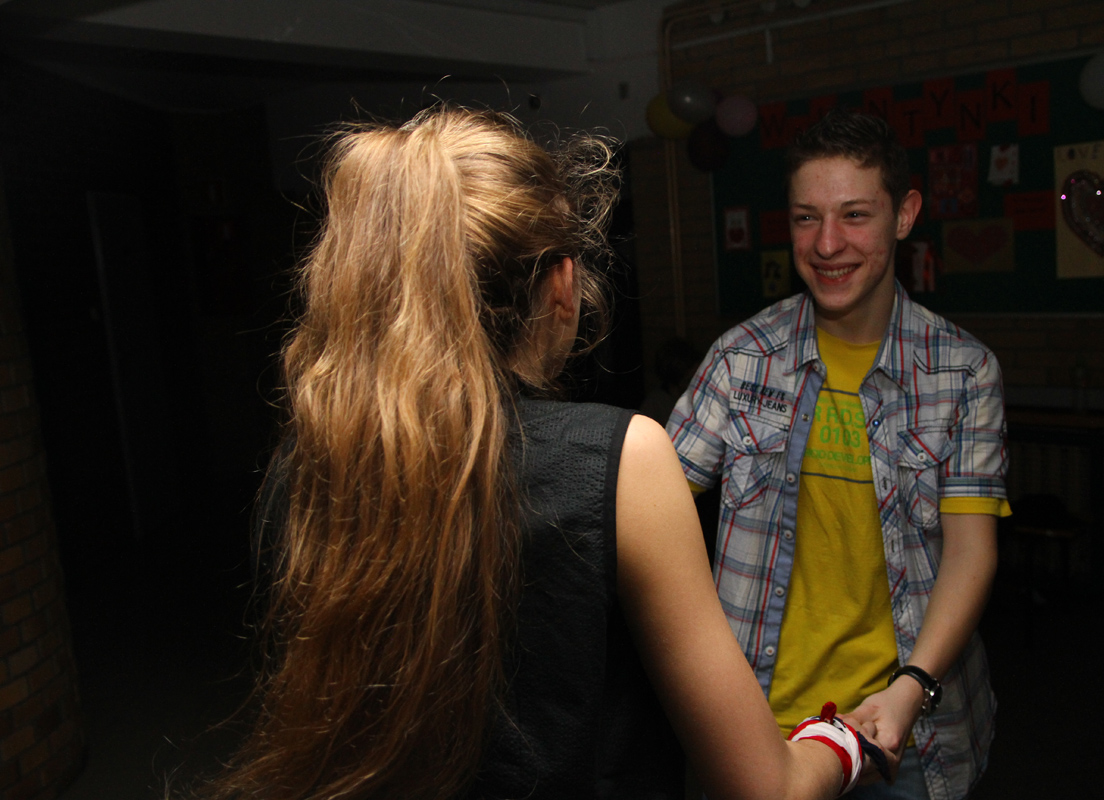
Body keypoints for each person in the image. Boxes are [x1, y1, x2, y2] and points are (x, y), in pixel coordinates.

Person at [200, 107, 891, 800]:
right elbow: (766, 787)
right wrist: (842, 739)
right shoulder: (622, 460)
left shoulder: (305, 466)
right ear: (561, 284)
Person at [667, 109, 1007, 800]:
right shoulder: (742, 359)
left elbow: (972, 553)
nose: (827, 244)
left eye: (854, 215)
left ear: (903, 215)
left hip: (902, 732)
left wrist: (912, 686)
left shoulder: (962, 372)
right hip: (753, 726)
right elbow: (652, 507)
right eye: (806, 218)